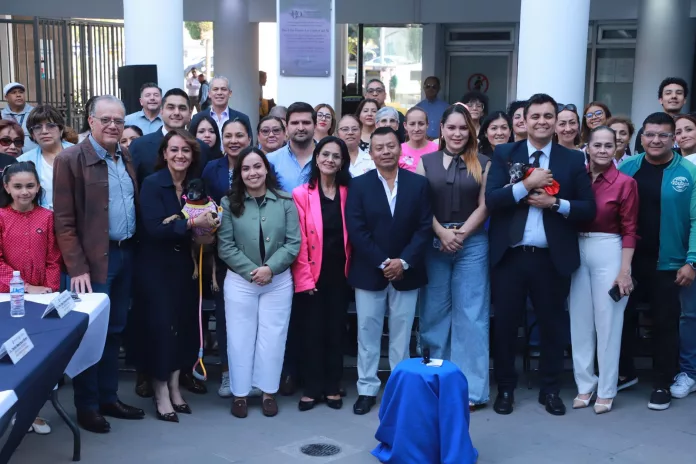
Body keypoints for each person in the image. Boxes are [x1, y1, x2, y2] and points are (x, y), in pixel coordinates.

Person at [485, 93, 596, 416]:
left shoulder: (572, 159)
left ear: (556, 121)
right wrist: (526, 184)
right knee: (505, 327)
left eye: (548, 116)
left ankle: (550, 390)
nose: (542, 122)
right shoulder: (506, 153)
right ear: (524, 120)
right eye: (535, 116)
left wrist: (555, 204)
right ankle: (506, 388)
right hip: (510, 256)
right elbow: (492, 200)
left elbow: (588, 209)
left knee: (552, 326)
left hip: (551, 258)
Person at [53, 95, 144, 433]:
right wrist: (77, 267)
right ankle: (87, 406)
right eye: (105, 119)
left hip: (125, 254)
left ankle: (108, 397)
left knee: (115, 330)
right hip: (91, 263)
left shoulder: (126, 155)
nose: (113, 126)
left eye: (119, 120)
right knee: (91, 334)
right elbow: (63, 221)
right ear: (90, 121)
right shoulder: (70, 159)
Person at [345, 127, 432, 415]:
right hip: (370, 271)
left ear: (400, 148)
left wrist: (402, 262)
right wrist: (384, 262)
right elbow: (357, 229)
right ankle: (367, 389)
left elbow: (424, 227)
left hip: (407, 271)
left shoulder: (418, 184)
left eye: (391, 146)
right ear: (371, 153)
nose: (385, 152)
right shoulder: (359, 185)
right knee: (367, 333)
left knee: (402, 335)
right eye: (379, 147)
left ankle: (399, 389)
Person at [138, 129, 218, 422]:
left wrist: (208, 227)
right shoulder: (152, 184)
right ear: (164, 153)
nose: (180, 155)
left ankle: (174, 387)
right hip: (156, 267)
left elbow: (205, 222)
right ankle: (160, 392)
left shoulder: (194, 185)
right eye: (174, 150)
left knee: (183, 326)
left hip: (187, 266)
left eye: (185, 150)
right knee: (161, 329)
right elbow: (155, 228)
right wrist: (192, 223)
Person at [618, 112, 696, 410]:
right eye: (650, 134)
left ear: (673, 138)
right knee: (622, 318)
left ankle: (663, 382)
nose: (656, 140)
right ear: (641, 137)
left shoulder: (688, 171)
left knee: (665, 323)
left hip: (670, 263)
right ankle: (625, 373)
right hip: (630, 260)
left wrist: (692, 261)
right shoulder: (628, 167)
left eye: (663, 135)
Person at [217, 146, 301, 419]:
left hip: (278, 281)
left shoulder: (285, 201)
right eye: (246, 168)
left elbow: (293, 243)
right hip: (241, 281)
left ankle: (268, 392)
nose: (252, 172)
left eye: (257, 166)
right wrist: (253, 272)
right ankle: (240, 394)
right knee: (239, 337)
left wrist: (270, 269)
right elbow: (225, 246)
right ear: (239, 174)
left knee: (273, 337)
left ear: (266, 169)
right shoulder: (228, 202)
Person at [417, 105, 491, 409]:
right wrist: (442, 233)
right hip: (435, 242)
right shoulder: (426, 162)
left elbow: (485, 205)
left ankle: (471, 390)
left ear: (470, 131)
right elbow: (421, 205)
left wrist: (460, 234)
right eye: (452, 127)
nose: (457, 133)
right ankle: (434, 383)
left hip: (472, 243)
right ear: (442, 129)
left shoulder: (483, 162)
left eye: (463, 128)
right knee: (433, 314)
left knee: (471, 316)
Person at [569, 126, 638, 414]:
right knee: (580, 321)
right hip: (577, 247)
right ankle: (585, 384)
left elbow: (630, 230)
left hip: (609, 248)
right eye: (597, 145)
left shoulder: (625, 183)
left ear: (616, 148)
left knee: (608, 322)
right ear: (587, 146)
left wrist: (624, 271)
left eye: (608, 145)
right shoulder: (577, 177)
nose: (602, 150)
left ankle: (607, 389)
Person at [291, 136, 352, 411]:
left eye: (336, 156)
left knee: (336, 330)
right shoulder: (301, 194)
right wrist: (305, 279)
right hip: (312, 273)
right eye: (325, 154)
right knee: (311, 331)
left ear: (342, 162)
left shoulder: (350, 192)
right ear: (316, 158)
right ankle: (312, 387)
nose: (330, 159)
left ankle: (332, 385)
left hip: (342, 273)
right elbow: (299, 240)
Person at [0, 161, 60, 434]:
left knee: (36, 356)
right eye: (18, 186)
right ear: (7, 188)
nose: (24, 191)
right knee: (11, 355)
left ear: (38, 187)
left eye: (30, 186)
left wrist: (49, 292)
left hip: (40, 299)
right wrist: (24, 287)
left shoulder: (46, 217)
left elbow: (53, 258)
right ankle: (9, 410)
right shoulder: (1, 217)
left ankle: (31, 412)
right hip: (7, 298)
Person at [130, 88, 212, 187]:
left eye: (182, 108)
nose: (176, 112)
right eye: (171, 107)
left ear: (190, 113)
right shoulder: (139, 146)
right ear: (161, 111)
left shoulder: (202, 148)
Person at [18, 105, 74, 210]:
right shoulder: (23, 161)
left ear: (61, 129)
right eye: (38, 127)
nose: (44, 131)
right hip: (39, 218)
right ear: (33, 134)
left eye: (51, 126)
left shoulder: (78, 154)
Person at [267, 102, 316, 193]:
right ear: (286, 127)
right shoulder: (271, 160)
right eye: (295, 123)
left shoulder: (328, 157)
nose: (301, 128)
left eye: (306, 123)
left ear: (315, 126)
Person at [189, 76, 252, 142]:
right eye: (215, 89)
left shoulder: (243, 118)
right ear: (209, 94)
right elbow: (191, 144)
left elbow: (249, 145)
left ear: (230, 93)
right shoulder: (197, 118)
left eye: (223, 89)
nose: (219, 93)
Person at [635, 77, 688, 154]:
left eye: (679, 93)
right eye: (668, 93)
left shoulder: (692, 129)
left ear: (684, 100)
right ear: (661, 100)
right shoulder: (646, 130)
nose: (674, 96)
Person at [401, 107, 438, 172]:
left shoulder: (437, 150)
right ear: (405, 125)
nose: (416, 129)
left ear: (427, 125)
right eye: (412, 124)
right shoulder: (398, 151)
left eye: (421, 124)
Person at [1, 82, 36, 151]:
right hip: (9, 155)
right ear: (6, 97)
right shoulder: (1, 115)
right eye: (14, 92)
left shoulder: (35, 113)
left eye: (21, 92)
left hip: (32, 156)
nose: (18, 95)